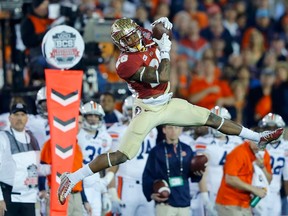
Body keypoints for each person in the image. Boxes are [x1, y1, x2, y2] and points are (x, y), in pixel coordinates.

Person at [58, 17, 284, 205]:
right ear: (120, 43)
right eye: (129, 38)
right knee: (122, 155)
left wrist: (165, 27)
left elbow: (161, 29)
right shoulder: (124, 63)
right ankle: (73, 177)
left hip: (168, 101)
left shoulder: (143, 35)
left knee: (211, 118)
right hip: (148, 108)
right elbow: (162, 76)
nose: (136, 38)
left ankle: (258, 137)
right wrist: (165, 50)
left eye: (136, 33)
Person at [107, 95, 157, 215]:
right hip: (126, 185)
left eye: (139, 109)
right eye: (132, 109)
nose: (135, 113)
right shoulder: (117, 130)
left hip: (147, 185)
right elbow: (111, 162)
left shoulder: (152, 130)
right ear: (125, 110)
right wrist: (112, 190)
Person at [0, 103, 50, 216]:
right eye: (16, 114)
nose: (19, 118)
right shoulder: (2, 137)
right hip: (8, 197)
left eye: (22, 114)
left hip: (29, 198)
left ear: (27, 118)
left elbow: (37, 168)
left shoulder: (32, 138)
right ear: (10, 118)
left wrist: (55, 168)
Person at [40, 114, 92, 216]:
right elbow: (41, 170)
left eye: (80, 122)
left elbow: (78, 178)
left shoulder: (77, 147)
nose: (77, 125)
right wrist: (42, 190)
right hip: (59, 194)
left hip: (77, 196)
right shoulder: (52, 143)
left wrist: (84, 200)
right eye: (75, 122)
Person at [142, 125, 200, 216]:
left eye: (176, 127)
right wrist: (150, 194)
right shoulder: (157, 151)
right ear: (164, 130)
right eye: (170, 128)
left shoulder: (187, 149)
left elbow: (193, 176)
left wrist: (199, 172)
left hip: (184, 200)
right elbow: (148, 174)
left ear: (181, 130)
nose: (173, 131)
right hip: (166, 202)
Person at [197, 106, 243, 216]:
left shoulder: (237, 141)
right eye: (215, 122)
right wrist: (204, 196)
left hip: (233, 191)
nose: (218, 126)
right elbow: (201, 171)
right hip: (213, 191)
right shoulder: (203, 141)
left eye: (222, 122)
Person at [215, 138, 272, 216]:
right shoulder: (239, 152)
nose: (258, 143)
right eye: (256, 138)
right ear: (250, 138)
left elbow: (268, 180)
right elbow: (230, 178)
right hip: (230, 202)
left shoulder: (264, 154)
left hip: (247, 204)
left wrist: (262, 166)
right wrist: (254, 189)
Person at [78, 101, 114, 216]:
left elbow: (109, 162)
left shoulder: (105, 137)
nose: (93, 118)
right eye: (90, 115)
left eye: (96, 116)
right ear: (84, 116)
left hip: (96, 185)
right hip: (80, 184)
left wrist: (106, 189)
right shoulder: (77, 135)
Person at [253, 113, 288, 216]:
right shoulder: (256, 144)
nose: (272, 131)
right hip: (257, 192)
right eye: (268, 128)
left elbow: (286, 177)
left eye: (275, 128)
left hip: (275, 194)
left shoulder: (285, 147)